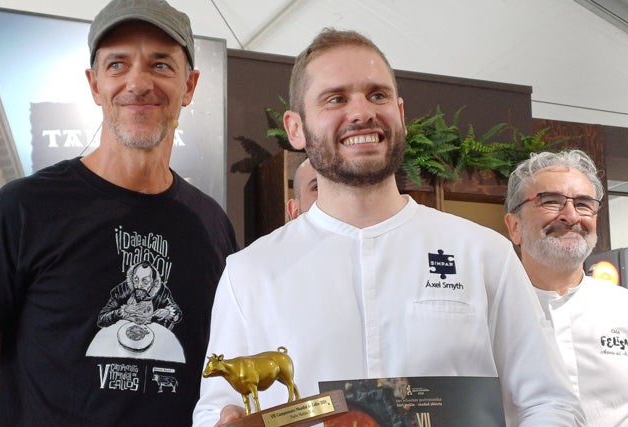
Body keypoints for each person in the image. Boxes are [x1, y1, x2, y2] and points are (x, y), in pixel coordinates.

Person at [193, 28, 584, 427]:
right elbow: (216, 410)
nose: (362, 112)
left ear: (400, 113)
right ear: (295, 128)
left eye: (377, 95)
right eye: (336, 98)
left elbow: (550, 403)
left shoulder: (483, 254)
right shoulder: (250, 272)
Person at [0, 0, 237, 425]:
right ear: (95, 85)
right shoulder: (23, 208)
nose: (138, 82)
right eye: (117, 65)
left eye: (161, 65)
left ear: (189, 87)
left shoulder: (212, 226)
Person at [503, 149, 628, 426]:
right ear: (514, 227)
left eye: (584, 204)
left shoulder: (624, 308)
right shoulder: (487, 316)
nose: (570, 215)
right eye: (550, 201)